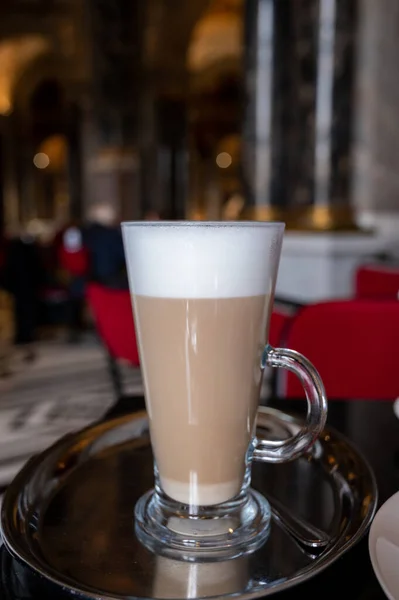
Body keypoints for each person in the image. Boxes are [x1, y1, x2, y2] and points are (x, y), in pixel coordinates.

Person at [3, 229, 44, 361]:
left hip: (18, 288)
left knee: (20, 312)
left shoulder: (13, 253)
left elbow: (7, 272)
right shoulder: (30, 253)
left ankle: (23, 336)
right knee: (28, 313)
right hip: (28, 287)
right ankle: (27, 336)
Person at [83, 203, 128, 289]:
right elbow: (125, 255)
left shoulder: (86, 233)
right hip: (110, 284)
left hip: (88, 284)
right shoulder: (113, 235)